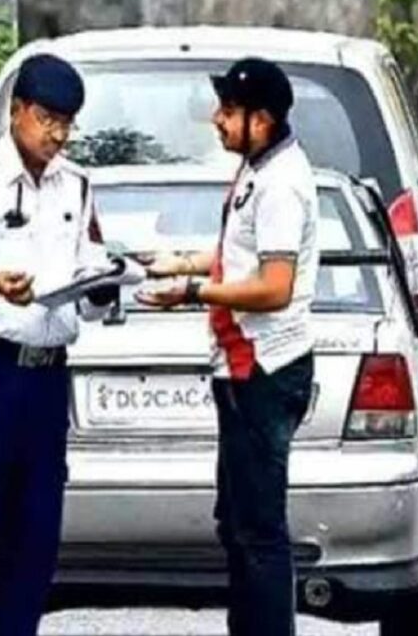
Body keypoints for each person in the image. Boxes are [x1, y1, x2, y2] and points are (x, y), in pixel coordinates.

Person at [0, 53, 117, 636]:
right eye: (46, 119)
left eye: (67, 123)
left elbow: (89, 274)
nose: (57, 135)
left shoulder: (77, 186)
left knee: (33, 538)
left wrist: (106, 286)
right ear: (16, 112)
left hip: (45, 377)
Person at [135, 56, 320, 636]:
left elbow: (274, 287)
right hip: (240, 370)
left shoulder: (282, 184)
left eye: (229, 111)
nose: (217, 120)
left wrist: (192, 291)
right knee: (236, 523)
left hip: (263, 370)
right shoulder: (257, 169)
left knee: (260, 532)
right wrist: (183, 261)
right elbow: (243, 257)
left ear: (261, 120)